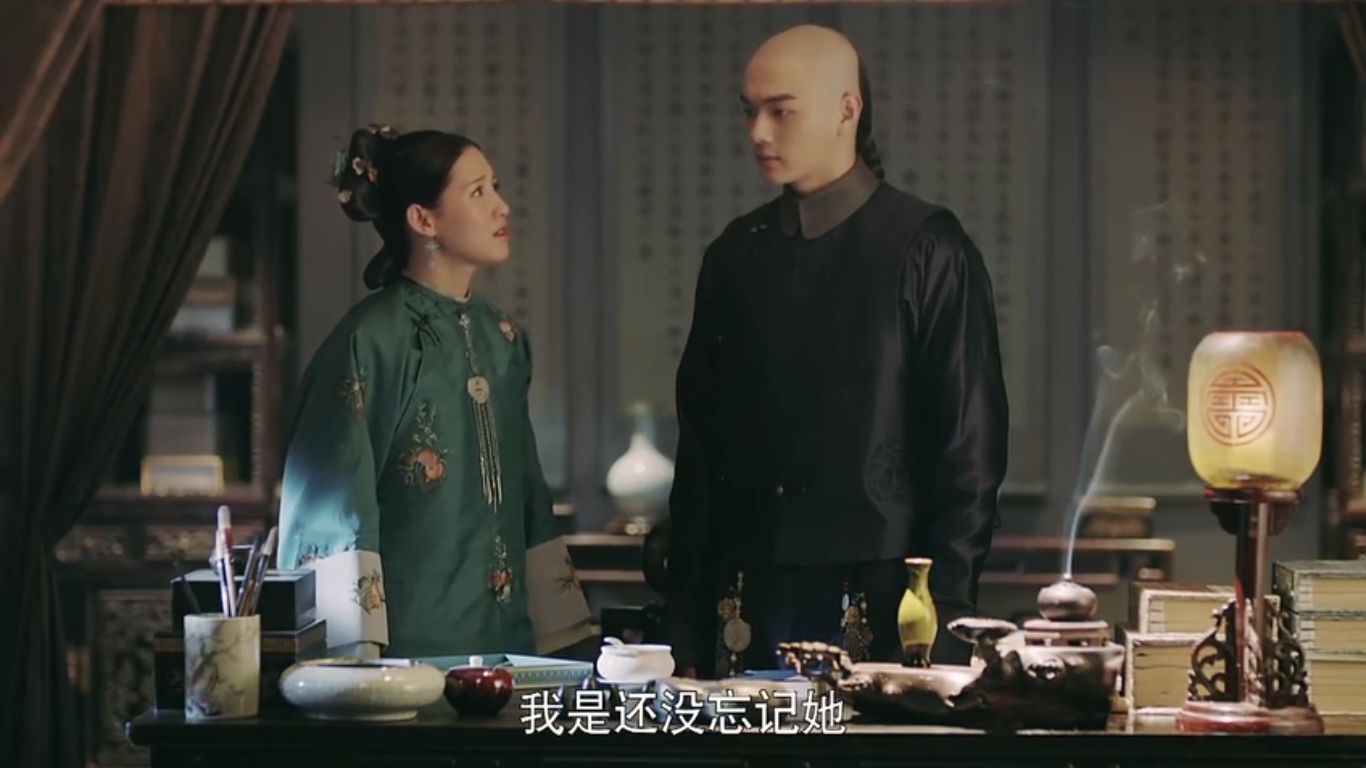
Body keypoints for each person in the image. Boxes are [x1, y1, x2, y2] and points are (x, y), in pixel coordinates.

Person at [667, 25, 1009, 677]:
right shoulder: (735, 254)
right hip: (747, 590)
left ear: (847, 109)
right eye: (750, 111)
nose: (758, 133)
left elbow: (969, 453)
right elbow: (700, 450)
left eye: (781, 111)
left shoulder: (926, 246)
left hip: (882, 594)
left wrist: (942, 614)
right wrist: (685, 617)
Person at [278, 125, 559, 659]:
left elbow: (528, 487)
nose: (501, 206)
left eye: (495, 187)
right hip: (404, 659)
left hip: (507, 652)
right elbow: (337, 507)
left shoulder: (503, 338)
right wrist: (354, 655)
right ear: (423, 219)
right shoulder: (370, 341)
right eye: (478, 192)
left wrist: (559, 637)